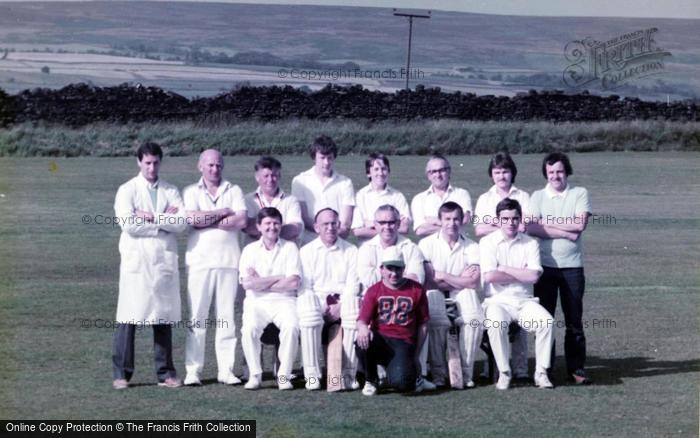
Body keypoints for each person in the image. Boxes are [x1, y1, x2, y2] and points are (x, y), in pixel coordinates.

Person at [112, 142, 187, 390]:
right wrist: (163, 221)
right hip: (136, 260)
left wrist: (153, 216)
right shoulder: (127, 190)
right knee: (128, 316)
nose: (152, 167)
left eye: (155, 162)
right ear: (138, 162)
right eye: (147, 163)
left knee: (162, 316)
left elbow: (181, 223)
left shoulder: (171, 190)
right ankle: (122, 373)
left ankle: (165, 373)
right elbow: (128, 224)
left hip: (162, 261)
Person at [182, 149, 248, 386]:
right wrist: (221, 212)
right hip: (199, 263)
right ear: (200, 166)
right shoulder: (190, 191)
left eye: (218, 165)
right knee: (197, 318)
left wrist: (206, 219)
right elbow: (192, 220)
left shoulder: (235, 190)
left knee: (226, 318)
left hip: (229, 262)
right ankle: (193, 371)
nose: (214, 169)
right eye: (210, 165)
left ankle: (226, 370)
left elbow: (240, 221)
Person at [527, 152, 592, 385]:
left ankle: (577, 369)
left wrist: (548, 223)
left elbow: (580, 224)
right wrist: (566, 231)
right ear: (546, 173)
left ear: (567, 172)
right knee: (545, 321)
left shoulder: (579, 193)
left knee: (574, 320)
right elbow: (532, 228)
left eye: (559, 171)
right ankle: (545, 369)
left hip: (572, 268)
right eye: (551, 172)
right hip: (544, 268)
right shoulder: (537, 196)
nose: (555, 176)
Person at [479, 198, 554, 390]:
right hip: (497, 301)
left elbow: (534, 276)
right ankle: (504, 372)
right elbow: (490, 276)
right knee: (496, 323)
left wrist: (504, 268)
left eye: (514, 218)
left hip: (524, 302)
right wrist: (520, 273)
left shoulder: (530, 243)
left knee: (547, 322)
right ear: (498, 220)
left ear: (520, 219)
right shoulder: (488, 242)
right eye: (505, 219)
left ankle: (541, 373)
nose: (510, 223)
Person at [473, 151, 530, 380]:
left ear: (512, 173)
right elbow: (478, 229)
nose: (501, 176)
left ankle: (521, 369)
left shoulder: (523, 197)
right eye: (497, 172)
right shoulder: (485, 199)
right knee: (495, 319)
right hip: (493, 259)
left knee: (521, 318)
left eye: (505, 171)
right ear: (491, 175)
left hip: (518, 255)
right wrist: (507, 225)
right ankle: (494, 367)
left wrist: (498, 225)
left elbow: (524, 227)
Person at [419, 202, 482, 388]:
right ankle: (439, 372)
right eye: (447, 219)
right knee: (438, 321)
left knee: (474, 320)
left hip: (462, 293)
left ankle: (465, 372)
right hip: (436, 292)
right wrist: (458, 278)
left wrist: (443, 275)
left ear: (462, 220)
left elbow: (473, 282)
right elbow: (429, 281)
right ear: (440, 220)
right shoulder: (426, 244)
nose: (452, 223)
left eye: (456, 218)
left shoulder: (471, 246)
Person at [355, 247, 433, 395]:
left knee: (403, 384)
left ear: (404, 269)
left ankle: (412, 376)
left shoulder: (416, 289)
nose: (393, 273)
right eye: (389, 269)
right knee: (361, 342)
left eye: (398, 269)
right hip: (381, 340)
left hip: (404, 342)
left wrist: (416, 354)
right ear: (381, 269)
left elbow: (423, 323)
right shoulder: (374, 290)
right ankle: (371, 380)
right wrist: (363, 328)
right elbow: (362, 320)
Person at [238, 207, 301, 390]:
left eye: (276, 223)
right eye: (267, 223)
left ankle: (283, 376)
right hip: (256, 302)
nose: (272, 227)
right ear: (258, 226)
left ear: (281, 226)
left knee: (291, 327)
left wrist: (261, 280)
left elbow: (293, 283)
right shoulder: (249, 250)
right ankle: (255, 375)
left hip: (285, 301)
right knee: (248, 329)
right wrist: (278, 277)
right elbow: (247, 284)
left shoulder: (290, 248)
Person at [298, 208, 360, 390]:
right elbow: (305, 287)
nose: (330, 227)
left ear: (339, 225)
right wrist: (322, 307)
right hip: (316, 301)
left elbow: (353, 285)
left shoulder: (351, 250)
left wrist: (339, 307)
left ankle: (349, 374)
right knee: (309, 314)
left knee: (353, 310)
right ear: (316, 227)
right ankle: (312, 375)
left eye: (334, 223)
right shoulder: (306, 251)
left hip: (342, 302)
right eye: (325, 224)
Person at [291, 135, 355, 244]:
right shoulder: (300, 181)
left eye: (329, 157)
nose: (326, 162)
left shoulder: (345, 183)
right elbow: (304, 218)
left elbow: (345, 223)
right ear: (314, 157)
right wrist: (325, 237)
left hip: (338, 243)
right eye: (322, 157)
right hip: (309, 244)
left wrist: (331, 237)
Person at [351, 153, 411, 242]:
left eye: (384, 169)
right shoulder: (360, 196)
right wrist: (390, 228)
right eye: (376, 169)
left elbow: (404, 228)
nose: (380, 173)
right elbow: (358, 231)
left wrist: (371, 224)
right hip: (368, 248)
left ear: (388, 171)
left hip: (394, 249)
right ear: (368, 173)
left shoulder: (397, 196)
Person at [411, 153, 472, 238]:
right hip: (430, 248)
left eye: (442, 170)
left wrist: (435, 221)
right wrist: (452, 224)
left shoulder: (462, 194)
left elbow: (466, 219)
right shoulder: (419, 199)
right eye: (434, 171)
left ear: (449, 171)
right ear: (428, 175)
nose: (438, 175)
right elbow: (420, 230)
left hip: (458, 245)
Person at [244, 156, 303, 243]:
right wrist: (278, 228)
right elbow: (248, 227)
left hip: (284, 252)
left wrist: (263, 229)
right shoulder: (248, 200)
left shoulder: (291, 200)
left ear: (279, 176)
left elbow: (294, 229)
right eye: (266, 176)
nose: (270, 180)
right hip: (256, 252)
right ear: (257, 177)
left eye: (274, 175)